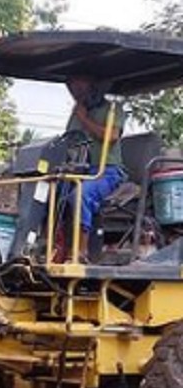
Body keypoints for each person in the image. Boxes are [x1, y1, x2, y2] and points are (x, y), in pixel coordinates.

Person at [60, 76, 127, 261]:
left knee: (80, 194)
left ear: (92, 84)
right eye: (71, 88)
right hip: (79, 170)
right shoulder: (77, 113)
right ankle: (46, 246)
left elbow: (112, 136)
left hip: (108, 172)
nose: (75, 92)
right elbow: (68, 140)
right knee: (51, 193)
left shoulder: (113, 109)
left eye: (79, 86)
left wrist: (84, 119)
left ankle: (81, 251)